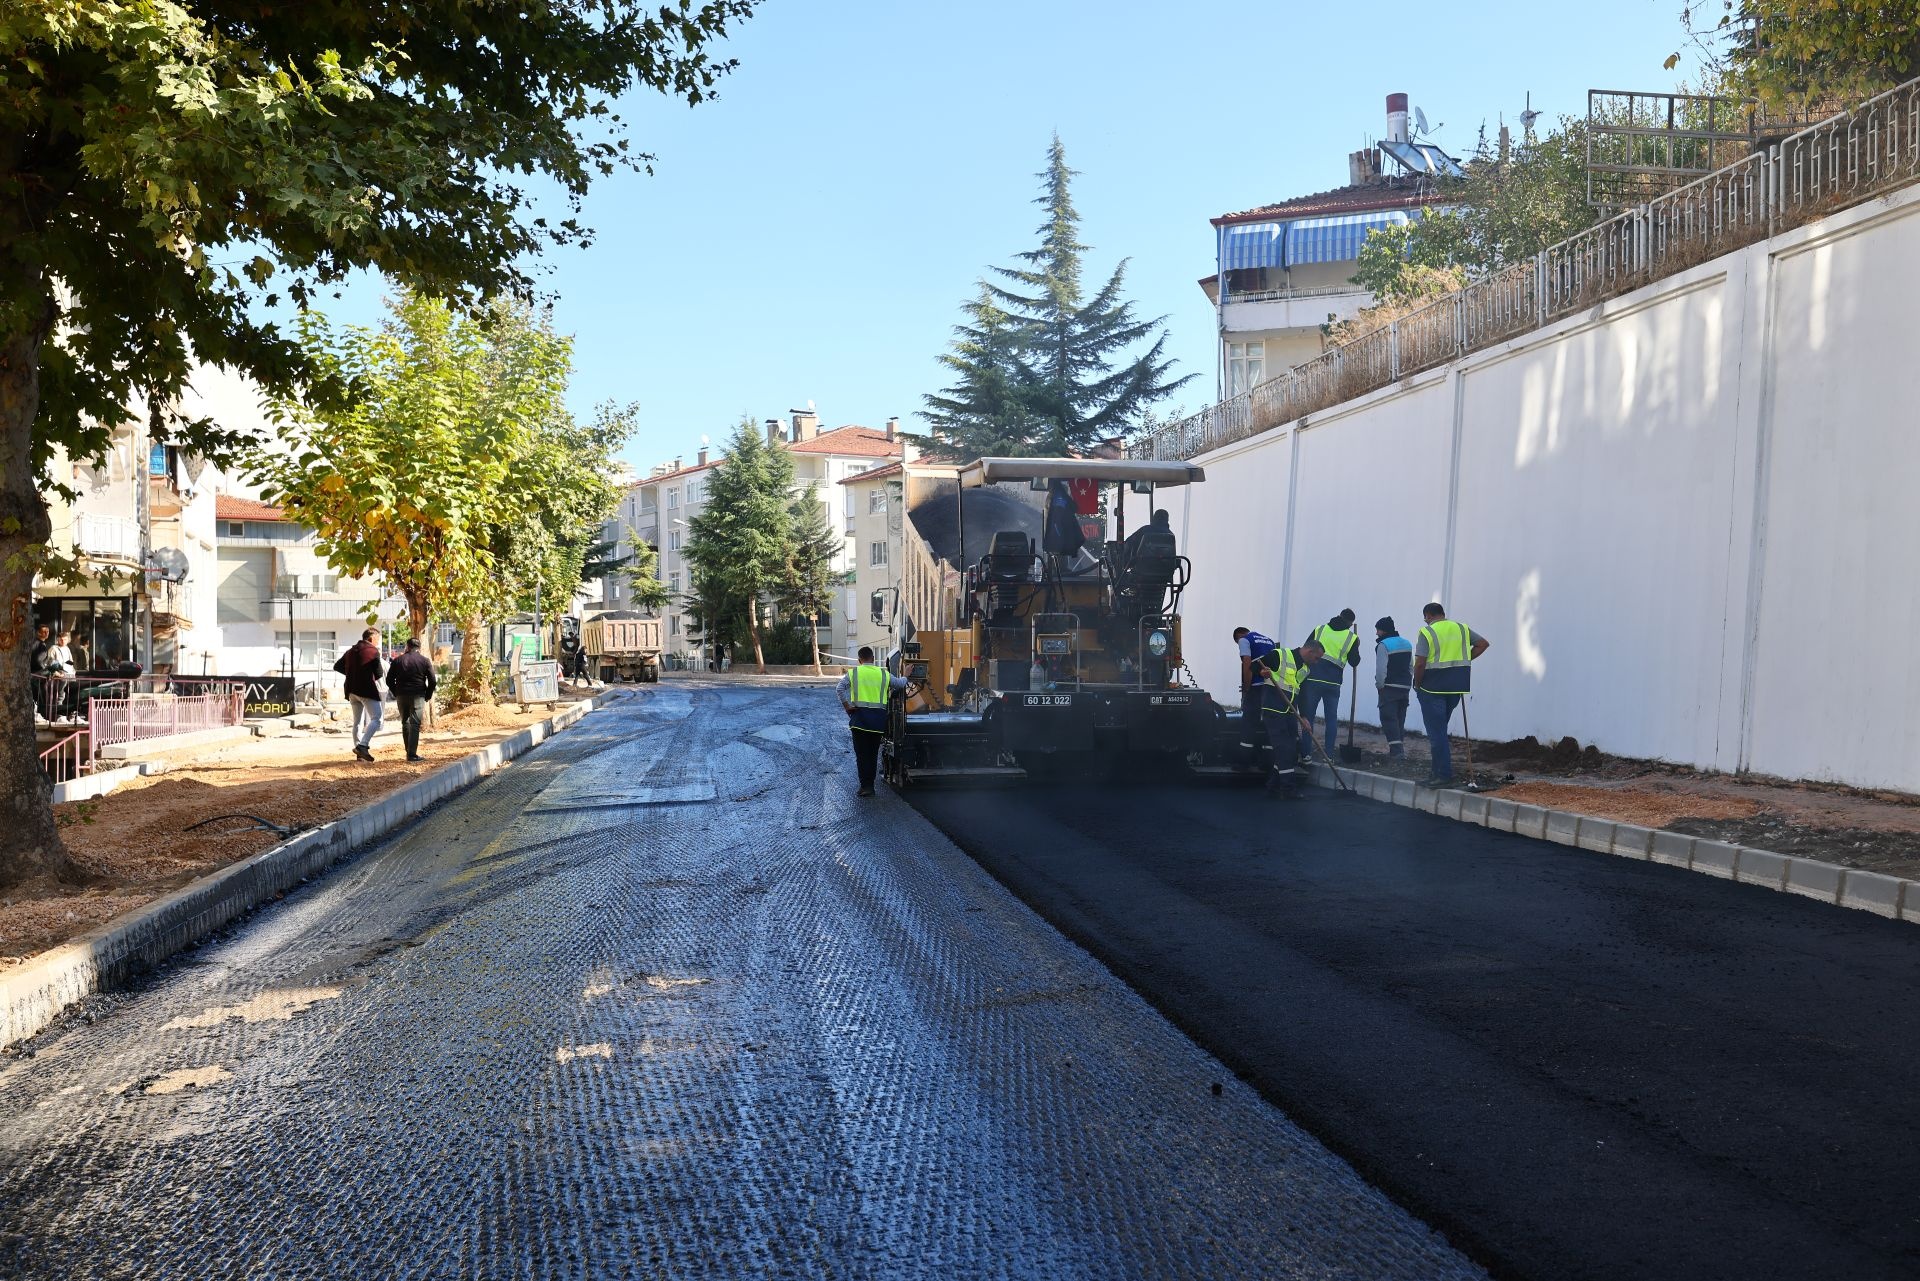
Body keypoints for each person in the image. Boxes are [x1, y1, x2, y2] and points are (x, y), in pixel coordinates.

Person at [1412, 602, 1490, 786]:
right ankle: (1435, 773)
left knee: (1436, 733)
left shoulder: (1427, 632)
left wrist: (1417, 683)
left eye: (1425, 618)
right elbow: (1482, 644)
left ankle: (1443, 775)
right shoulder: (1461, 628)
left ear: (1428, 616)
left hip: (1432, 689)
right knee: (1439, 731)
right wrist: (1464, 661)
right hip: (1455, 688)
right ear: (1443, 614)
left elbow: (1420, 663)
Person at [837, 645, 907, 797]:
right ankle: (871, 786)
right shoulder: (883, 674)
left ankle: (866, 786)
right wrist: (906, 675)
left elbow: (840, 689)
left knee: (862, 756)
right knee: (873, 754)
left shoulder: (854, 673)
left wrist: (847, 706)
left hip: (859, 722)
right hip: (877, 723)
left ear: (859, 660)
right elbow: (900, 684)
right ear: (873, 659)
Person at [1258, 638, 1323, 798]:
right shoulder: (1280, 655)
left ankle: (1272, 786)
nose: (1317, 662)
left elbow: (1303, 695)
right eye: (1317, 658)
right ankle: (1287, 788)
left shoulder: (1305, 669)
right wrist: (1262, 672)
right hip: (1273, 709)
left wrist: (1305, 716)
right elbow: (1256, 665)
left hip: (1289, 711)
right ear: (1309, 651)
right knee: (1284, 748)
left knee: (1291, 748)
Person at [1298, 608, 1360, 761]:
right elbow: (1354, 662)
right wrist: (1356, 646)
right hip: (1333, 683)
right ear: (1351, 624)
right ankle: (1329, 755)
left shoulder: (1320, 629)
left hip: (1312, 679)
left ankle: (1306, 754)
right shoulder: (1351, 637)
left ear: (1339, 616)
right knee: (1331, 719)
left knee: (1308, 717)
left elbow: (1305, 648)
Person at [333, 627, 387, 761]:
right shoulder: (373, 651)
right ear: (371, 638)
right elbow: (379, 674)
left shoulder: (350, 651)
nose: (378, 642)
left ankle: (359, 753)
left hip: (351, 690)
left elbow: (337, 666)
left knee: (357, 722)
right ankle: (363, 745)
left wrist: (353, 674)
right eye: (377, 639)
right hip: (366, 690)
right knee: (377, 718)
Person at [386, 637, 438, 763]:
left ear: (407, 646)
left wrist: (396, 692)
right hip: (418, 695)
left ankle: (408, 751)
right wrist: (428, 695)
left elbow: (389, 680)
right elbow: (433, 681)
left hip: (401, 695)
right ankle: (412, 754)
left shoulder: (398, 660)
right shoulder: (424, 661)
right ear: (418, 648)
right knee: (415, 724)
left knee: (405, 722)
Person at [1232, 626, 1278, 765]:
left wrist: (1246, 688)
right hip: (1271, 687)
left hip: (1257, 688)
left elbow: (1247, 664)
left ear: (1239, 637)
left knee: (1248, 723)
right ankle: (1267, 763)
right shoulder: (1269, 640)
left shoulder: (1244, 640)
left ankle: (1243, 763)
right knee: (1268, 723)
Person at [1373, 616, 1414, 759]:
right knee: (1399, 718)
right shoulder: (1407, 643)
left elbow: (1381, 670)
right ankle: (1398, 749)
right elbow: (1410, 666)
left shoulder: (1383, 645)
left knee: (1388, 718)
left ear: (1383, 630)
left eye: (1378, 630)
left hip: (1389, 687)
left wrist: (1380, 685)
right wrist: (1408, 682)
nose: (1376, 633)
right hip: (1404, 687)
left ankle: (1397, 752)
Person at [43, 628, 78, 721]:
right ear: (58, 639)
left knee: (70, 695)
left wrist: (73, 672)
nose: (63, 641)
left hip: (69, 675)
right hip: (59, 677)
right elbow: (49, 663)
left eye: (65, 639)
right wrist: (57, 673)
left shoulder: (67, 649)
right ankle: (59, 716)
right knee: (60, 696)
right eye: (61, 639)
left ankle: (70, 715)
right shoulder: (53, 649)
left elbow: (71, 662)